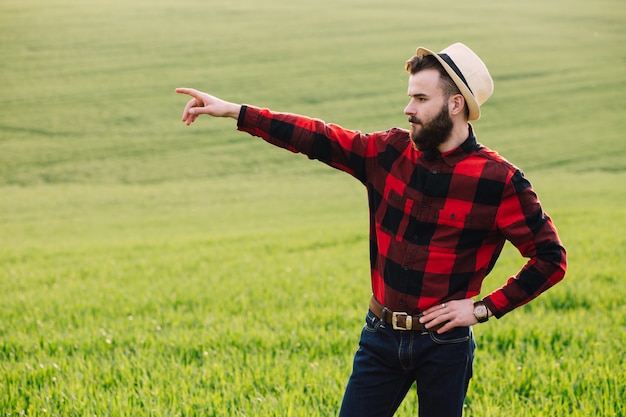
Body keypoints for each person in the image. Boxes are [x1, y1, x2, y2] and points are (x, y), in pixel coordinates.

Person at [175, 42, 567, 417]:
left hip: (444, 346)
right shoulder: (388, 151)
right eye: (410, 96)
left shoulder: (499, 181)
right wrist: (234, 111)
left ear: (455, 104)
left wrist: (483, 308)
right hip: (380, 336)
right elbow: (319, 136)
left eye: (420, 99)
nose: (407, 108)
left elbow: (550, 259)